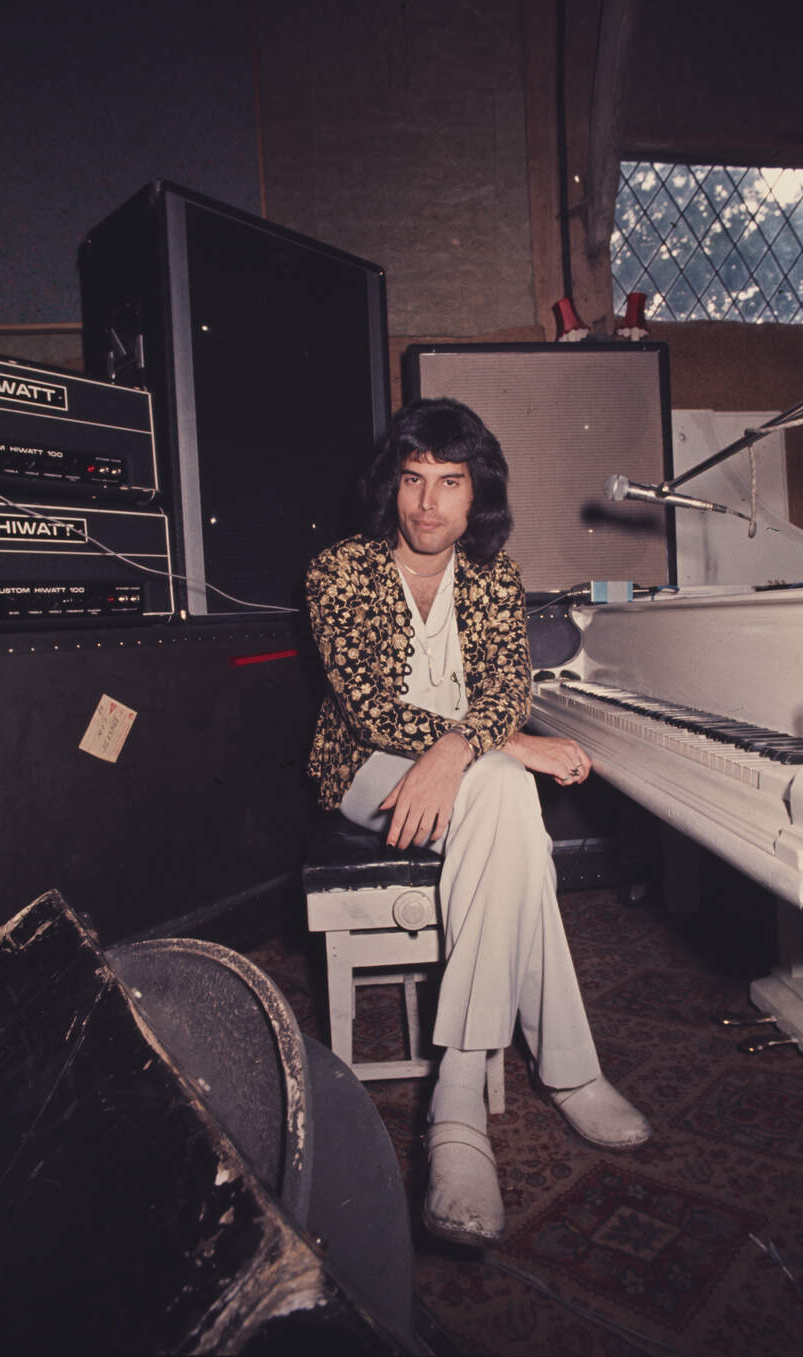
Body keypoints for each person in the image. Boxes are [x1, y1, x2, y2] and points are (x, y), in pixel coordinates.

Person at [306, 396, 650, 1247]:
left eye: (449, 482)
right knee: (508, 782)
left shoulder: (494, 573)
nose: (429, 503)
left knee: (501, 795)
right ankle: (568, 1068)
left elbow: (508, 691)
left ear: (475, 491)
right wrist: (483, 745)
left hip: (470, 766)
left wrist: (469, 747)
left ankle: (457, 1097)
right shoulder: (337, 570)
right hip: (367, 771)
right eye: (414, 479)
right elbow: (370, 706)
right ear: (392, 484)